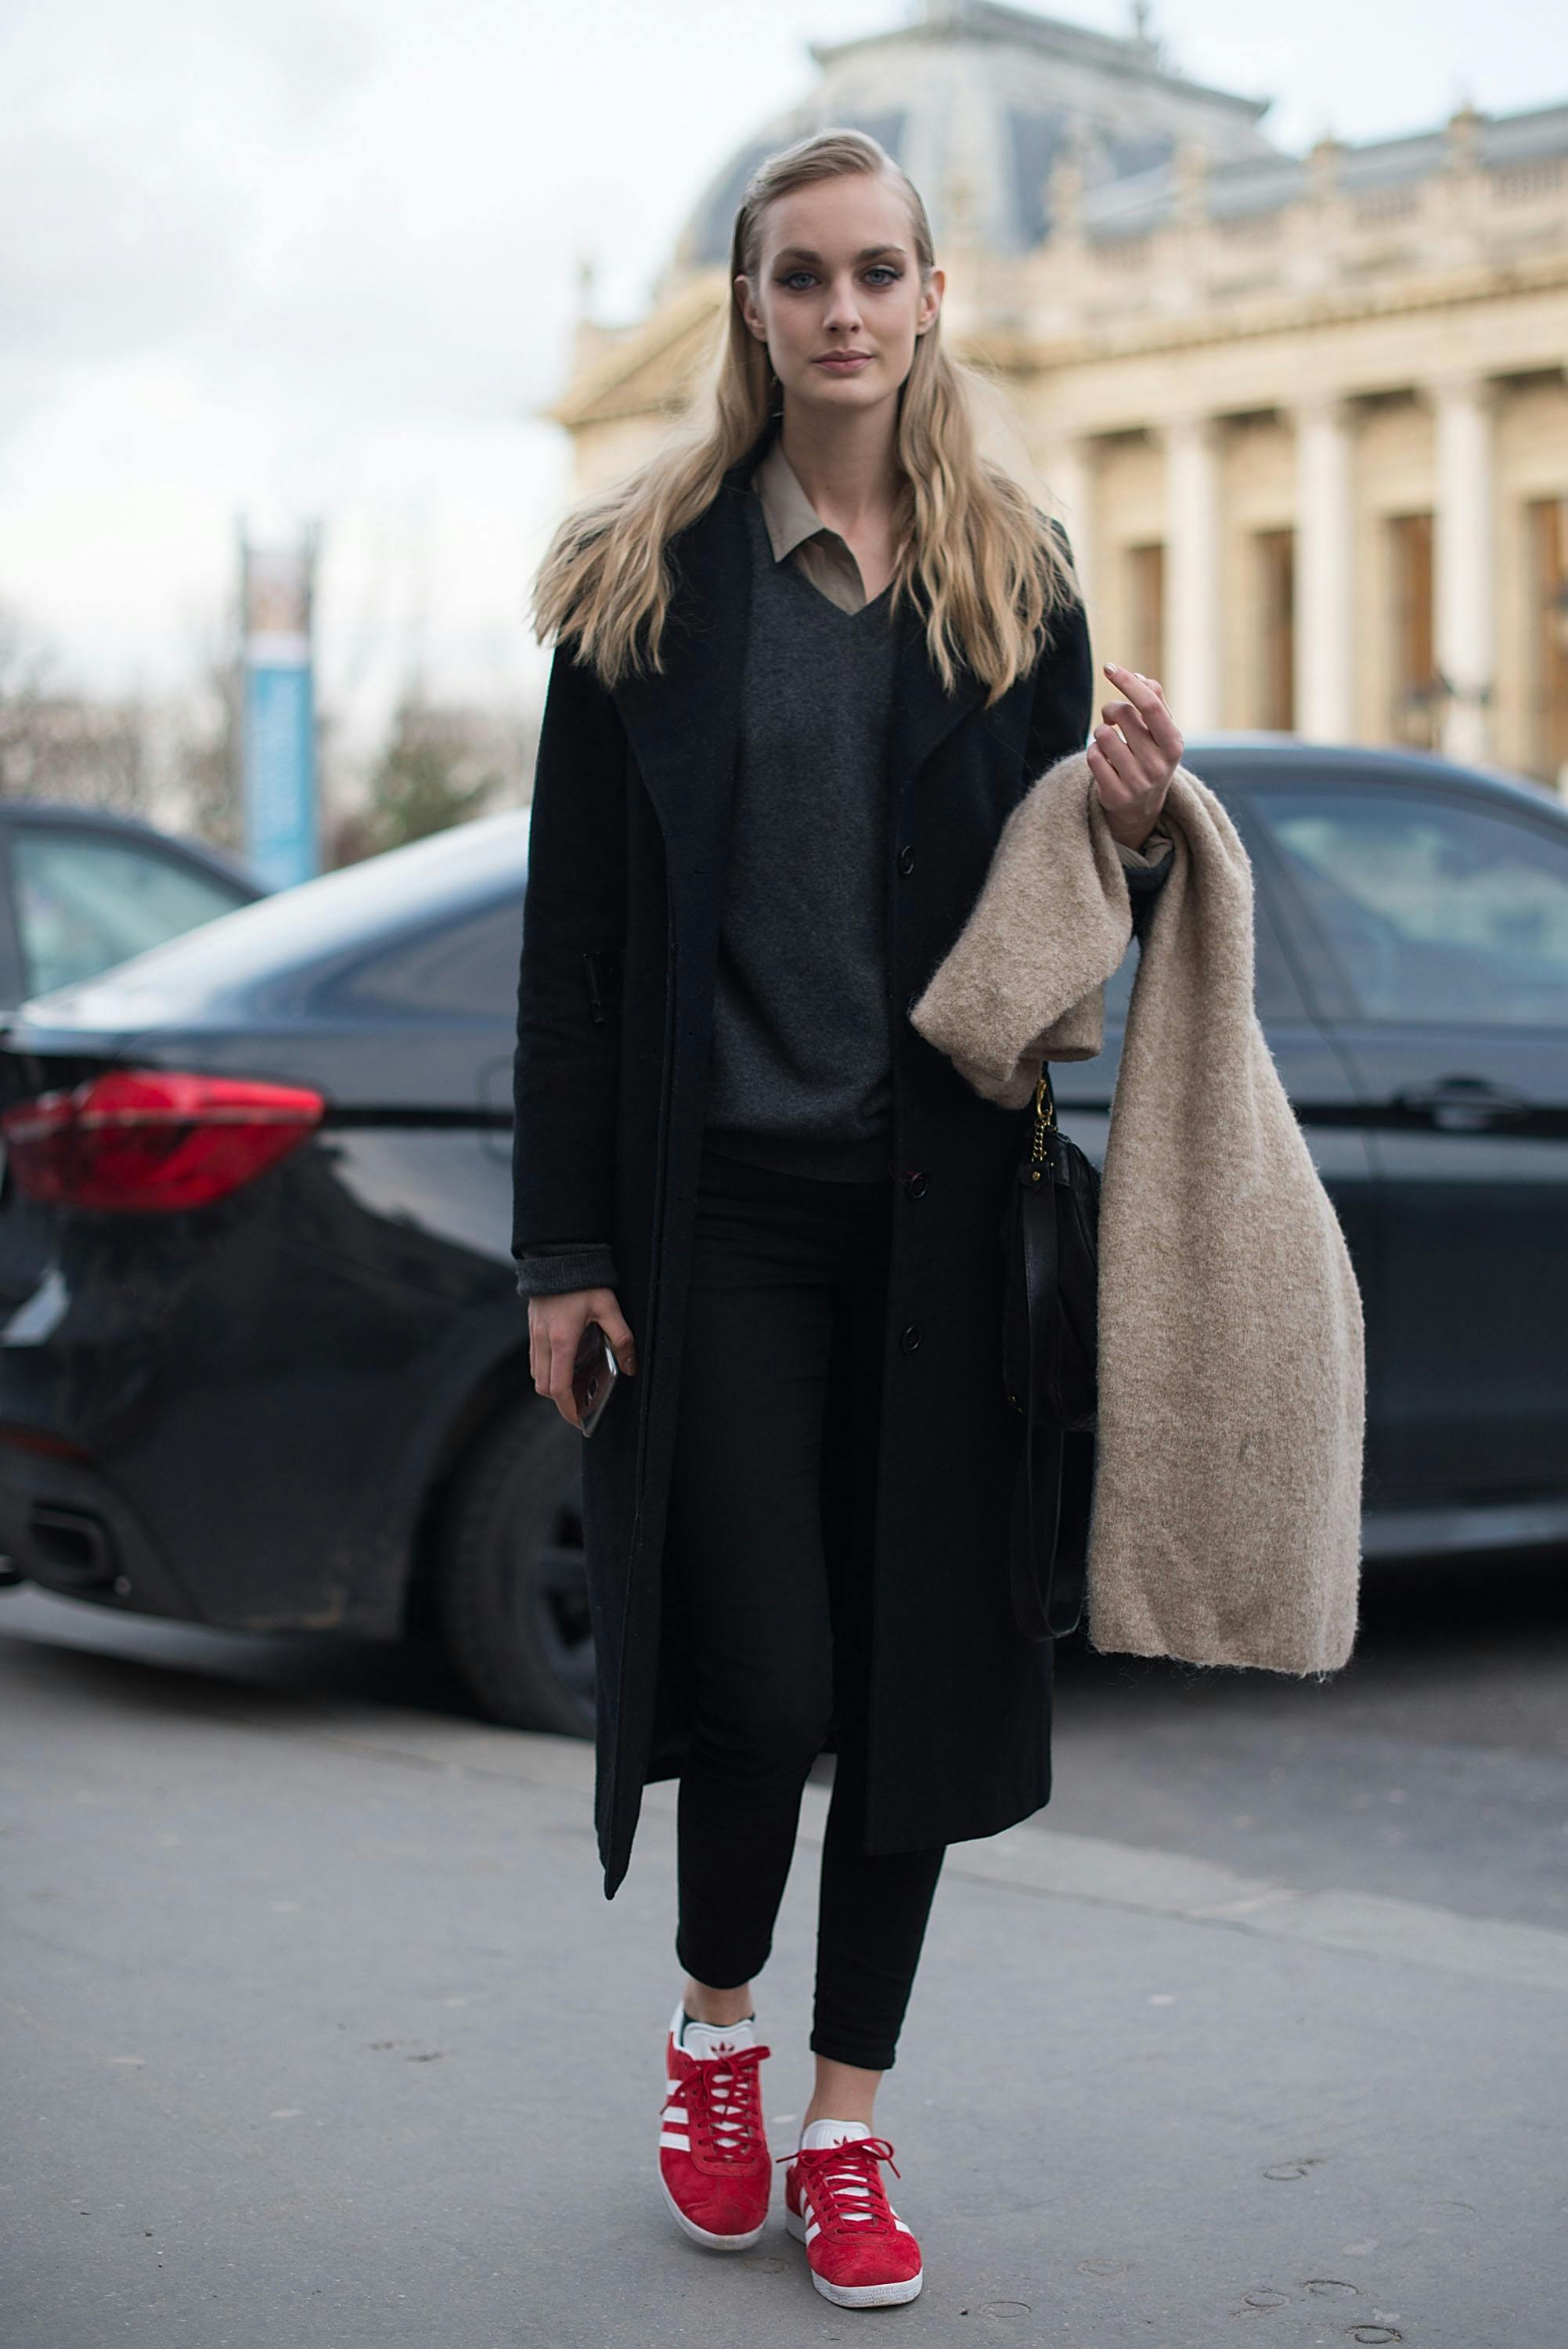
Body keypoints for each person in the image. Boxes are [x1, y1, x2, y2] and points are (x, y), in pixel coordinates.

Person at [512, 126, 1183, 2312]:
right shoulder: (641, 584)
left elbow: (1059, 941)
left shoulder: (1016, 577)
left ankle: (845, 2121)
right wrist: (561, 1253)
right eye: (799, 273)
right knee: (767, 1668)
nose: (841, 309)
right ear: (747, 305)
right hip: (724, 1227)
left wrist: (1134, 826)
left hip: (936, 1215)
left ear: (928, 298)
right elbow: (576, 953)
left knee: (909, 1677)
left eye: (877, 269)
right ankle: (714, 2034)